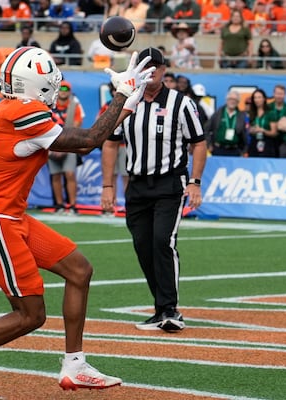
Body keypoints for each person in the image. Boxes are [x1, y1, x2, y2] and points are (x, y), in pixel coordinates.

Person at [0, 46, 155, 399]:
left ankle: (75, 364)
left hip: (10, 216)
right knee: (30, 316)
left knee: (79, 270)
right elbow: (88, 141)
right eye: (49, 77)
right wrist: (121, 94)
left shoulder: (11, 107)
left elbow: (88, 136)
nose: (54, 83)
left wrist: (127, 102)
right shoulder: (22, 110)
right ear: (35, 83)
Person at [101, 47, 206, 332]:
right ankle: (160, 308)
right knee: (143, 245)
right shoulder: (126, 100)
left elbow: (198, 142)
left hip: (168, 183)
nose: (151, 73)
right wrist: (108, 185)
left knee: (162, 241)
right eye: (145, 68)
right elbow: (110, 141)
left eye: (155, 68)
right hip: (136, 184)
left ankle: (171, 309)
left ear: (163, 70)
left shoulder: (180, 103)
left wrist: (195, 182)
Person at [48, 80, 84, 214]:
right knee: (55, 175)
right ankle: (59, 204)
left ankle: (73, 205)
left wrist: (65, 145)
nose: (63, 92)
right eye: (61, 89)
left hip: (69, 146)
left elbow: (76, 126)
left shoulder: (75, 106)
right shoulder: (50, 106)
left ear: (69, 92)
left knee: (70, 174)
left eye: (66, 89)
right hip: (51, 145)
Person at [204, 89, 248, 156]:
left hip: (235, 151)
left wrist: (243, 150)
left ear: (238, 101)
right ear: (226, 100)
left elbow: (245, 134)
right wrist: (209, 145)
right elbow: (206, 129)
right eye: (230, 99)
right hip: (218, 149)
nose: (232, 101)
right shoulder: (218, 113)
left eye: (235, 99)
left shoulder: (241, 115)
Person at [246, 88, 277, 157]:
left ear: (264, 99)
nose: (257, 100)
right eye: (255, 98)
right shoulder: (251, 113)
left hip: (267, 143)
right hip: (254, 143)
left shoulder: (271, 113)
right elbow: (248, 128)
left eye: (259, 97)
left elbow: (274, 133)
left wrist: (262, 130)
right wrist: (251, 130)